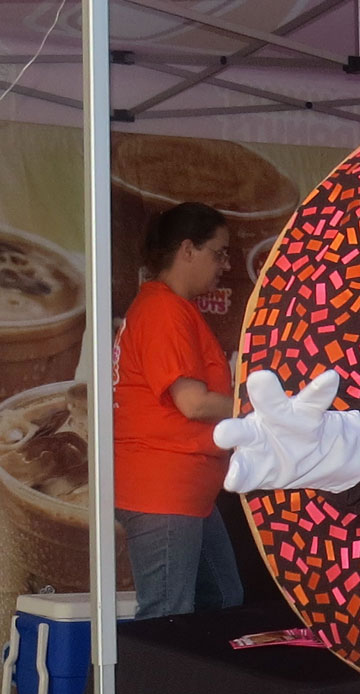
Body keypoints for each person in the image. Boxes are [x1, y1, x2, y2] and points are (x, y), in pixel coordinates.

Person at [112, 202, 244, 619]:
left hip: (188, 490)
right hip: (164, 489)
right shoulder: (163, 309)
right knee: (167, 616)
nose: (225, 265)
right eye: (219, 253)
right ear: (188, 249)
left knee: (222, 599)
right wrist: (255, 408)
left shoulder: (171, 307)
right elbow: (193, 403)